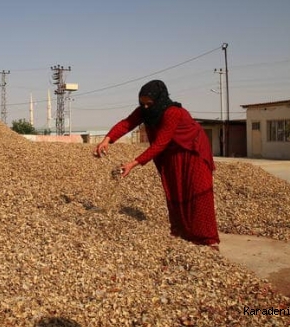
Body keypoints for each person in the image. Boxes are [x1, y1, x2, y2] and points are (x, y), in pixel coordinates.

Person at [93, 80, 220, 248]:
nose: (145, 107)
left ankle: (207, 240)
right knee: (175, 191)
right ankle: (183, 233)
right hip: (172, 154)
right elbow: (127, 123)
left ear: (159, 100)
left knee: (197, 192)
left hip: (192, 151)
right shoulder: (145, 112)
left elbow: (160, 143)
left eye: (149, 103)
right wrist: (107, 139)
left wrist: (133, 163)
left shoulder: (172, 112)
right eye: (142, 103)